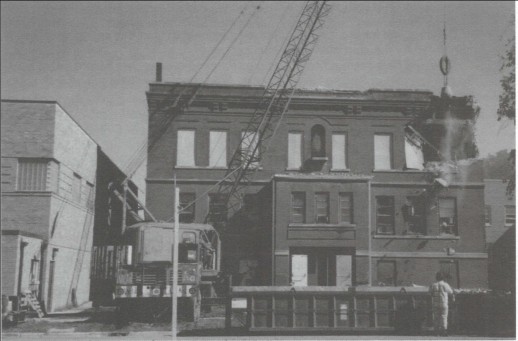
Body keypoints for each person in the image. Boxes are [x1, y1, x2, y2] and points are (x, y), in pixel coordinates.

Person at [429, 271, 455, 336]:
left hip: (435, 303)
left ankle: (436, 332)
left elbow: (430, 293)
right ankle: (444, 331)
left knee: (436, 317)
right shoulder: (445, 284)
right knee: (444, 317)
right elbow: (451, 292)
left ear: (436, 277)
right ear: (443, 278)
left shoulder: (433, 285)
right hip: (444, 303)